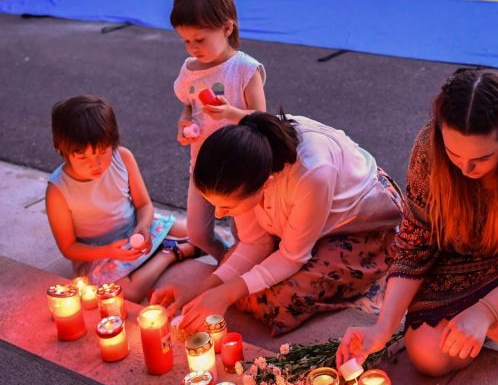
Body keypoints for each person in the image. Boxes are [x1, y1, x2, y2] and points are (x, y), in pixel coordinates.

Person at [337, 68, 498, 374]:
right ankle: (476, 324)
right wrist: (382, 327)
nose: (465, 170)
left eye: (482, 158)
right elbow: (415, 243)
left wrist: (485, 311)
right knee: (428, 356)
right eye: (454, 154)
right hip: (461, 258)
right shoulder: (427, 146)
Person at [152, 111, 404, 336]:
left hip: (359, 222)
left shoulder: (312, 173)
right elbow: (254, 242)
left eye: (227, 207)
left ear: (267, 185)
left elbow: (292, 256)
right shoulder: (244, 166)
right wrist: (203, 288)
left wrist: (226, 293)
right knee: (235, 276)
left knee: (274, 302)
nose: (218, 215)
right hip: (306, 218)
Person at [47, 96, 192, 300]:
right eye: (83, 157)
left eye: (103, 151)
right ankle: (170, 254)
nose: (95, 164)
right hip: (97, 253)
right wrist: (108, 251)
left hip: (134, 229)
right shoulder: (58, 191)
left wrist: (143, 226)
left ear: (113, 142)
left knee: (196, 230)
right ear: (60, 149)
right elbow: (69, 248)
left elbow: (144, 204)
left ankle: (209, 253)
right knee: (126, 293)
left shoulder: (122, 158)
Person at [171, 0, 267, 262]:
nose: (192, 49)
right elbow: (189, 105)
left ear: (227, 28)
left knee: (246, 236)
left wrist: (231, 114)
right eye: (186, 41)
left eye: (199, 40)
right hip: (202, 166)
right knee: (197, 233)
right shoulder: (189, 70)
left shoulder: (244, 69)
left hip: (240, 170)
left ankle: (241, 263)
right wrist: (184, 124)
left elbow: (263, 120)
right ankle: (225, 258)